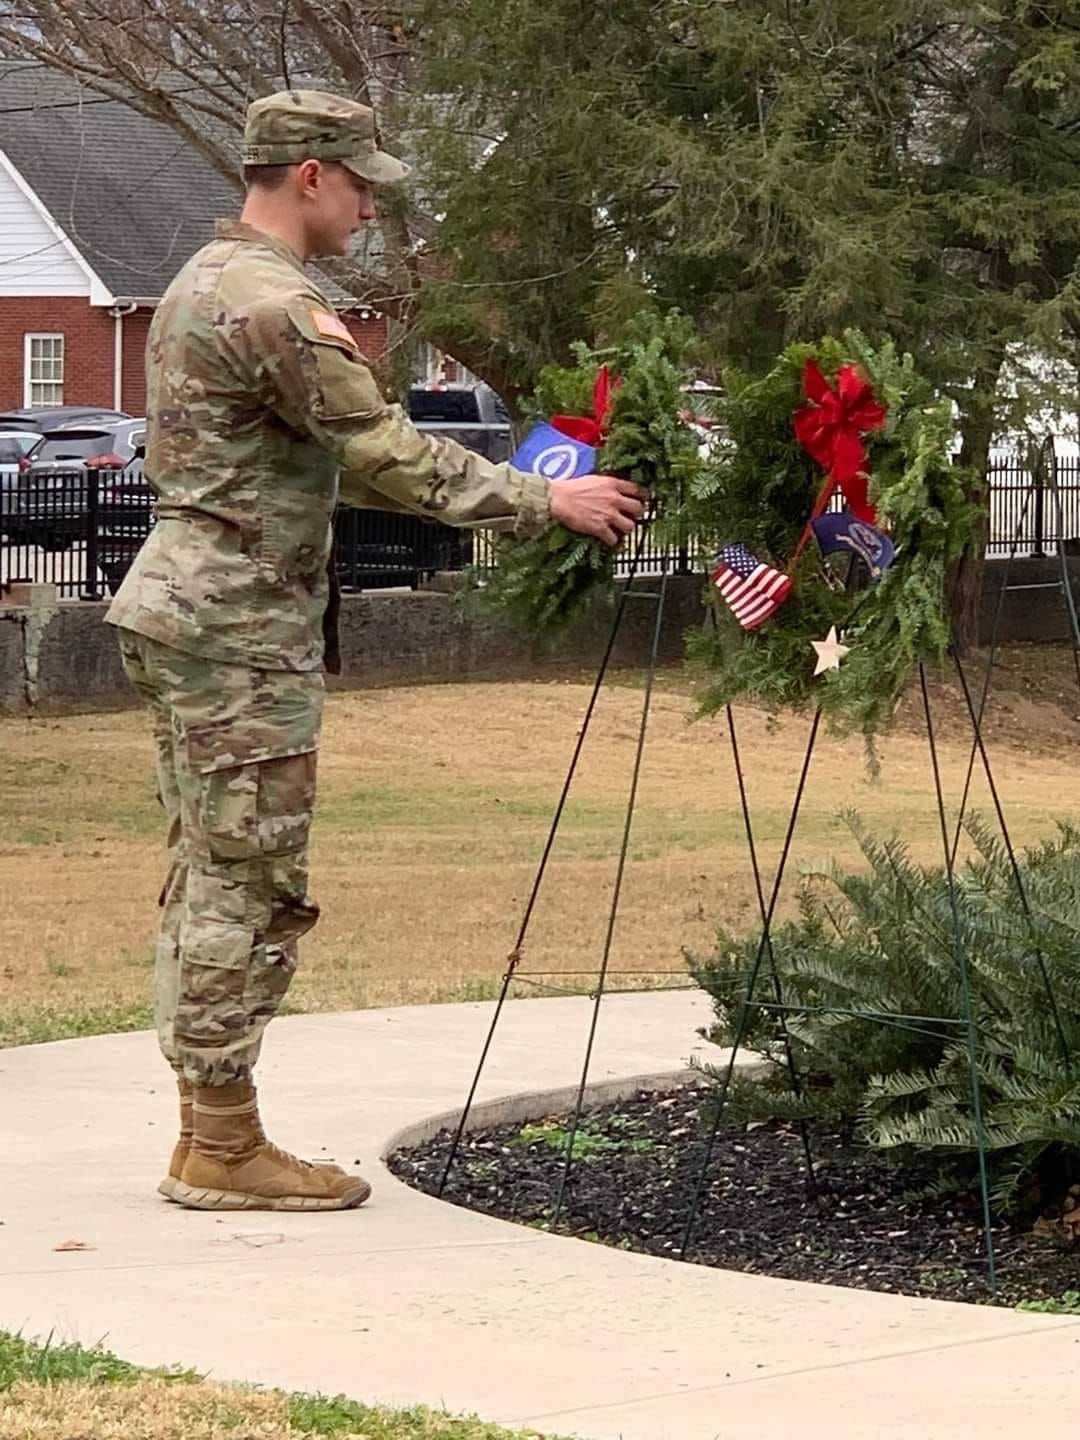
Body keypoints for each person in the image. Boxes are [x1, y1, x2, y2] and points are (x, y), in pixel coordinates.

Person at [106, 90, 646, 1214]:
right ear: (308, 174)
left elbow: (333, 461)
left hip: (194, 609)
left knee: (214, 870)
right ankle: (220, 1144)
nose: (364, 211)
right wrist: (550, 500)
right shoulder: (274, 304)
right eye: (358, 187)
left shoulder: (202, 286)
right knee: (247, 883)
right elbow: (384, 451)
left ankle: (211, 1126)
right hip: (237, 624)